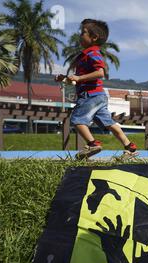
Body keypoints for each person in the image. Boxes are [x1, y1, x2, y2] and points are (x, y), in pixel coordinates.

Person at [55, 18, 137, 160]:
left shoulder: (92, 53)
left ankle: (93, 144)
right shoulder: (86, 55)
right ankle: (130, 147)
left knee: (77, 119)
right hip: (98, 95)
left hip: (90, 96)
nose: (80, 35)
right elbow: (79, 80)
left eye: (83, 32)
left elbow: (100, 73)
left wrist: (79, 78)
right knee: (109, 123)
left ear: (94, 37)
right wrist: (65, 79)